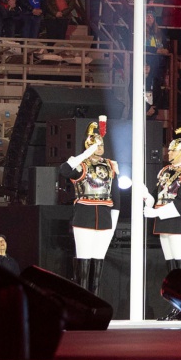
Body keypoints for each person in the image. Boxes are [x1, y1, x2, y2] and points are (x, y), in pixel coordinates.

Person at [143, 123, 181, 318]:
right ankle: (175, 306)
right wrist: (145, 196)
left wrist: (155, 213)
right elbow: (155, 196)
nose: (168, 152)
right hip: (164, 222)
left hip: (179, 221)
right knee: (171, 269)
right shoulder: (164, 171)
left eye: (172, 149)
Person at [59, 116, 119, 296]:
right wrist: (84, 154)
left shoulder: (110, 164)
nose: (99, 148)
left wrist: (114, 217)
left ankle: (95, 298)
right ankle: (82, 297)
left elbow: (115, 193)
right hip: (84, 214)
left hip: (105, 215)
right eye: (95, 145)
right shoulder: (81, 164)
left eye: (101, 145)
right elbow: (64, 170)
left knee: (99, 259)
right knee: (84, 258)